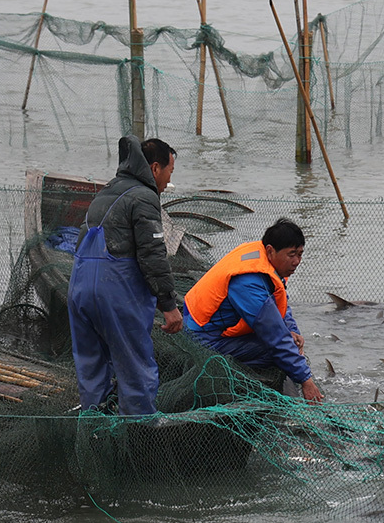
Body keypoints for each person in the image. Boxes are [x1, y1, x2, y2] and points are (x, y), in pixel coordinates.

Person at [67, 136, 183, 416]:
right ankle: (138, 435)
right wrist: (168, 304)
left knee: (91, 367)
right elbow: (152, 254)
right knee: (135, 369)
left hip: (79, 291)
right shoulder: (144, 197)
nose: (168, 182)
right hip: (115, 293)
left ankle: (95, 434)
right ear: (155, 168)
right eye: (169, 172)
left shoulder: (106, 192)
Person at [182, 217, 324, 404]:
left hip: (211, 326)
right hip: (203, 337)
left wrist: (293, 331)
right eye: (291, 254)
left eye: (300, 254)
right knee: (276, 352)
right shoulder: (249, 283)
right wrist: (306, 381)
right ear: (270, 250)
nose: (297, 261)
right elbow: (274, 336)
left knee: (289, 345)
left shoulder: (265, 260)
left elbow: (279, 302)